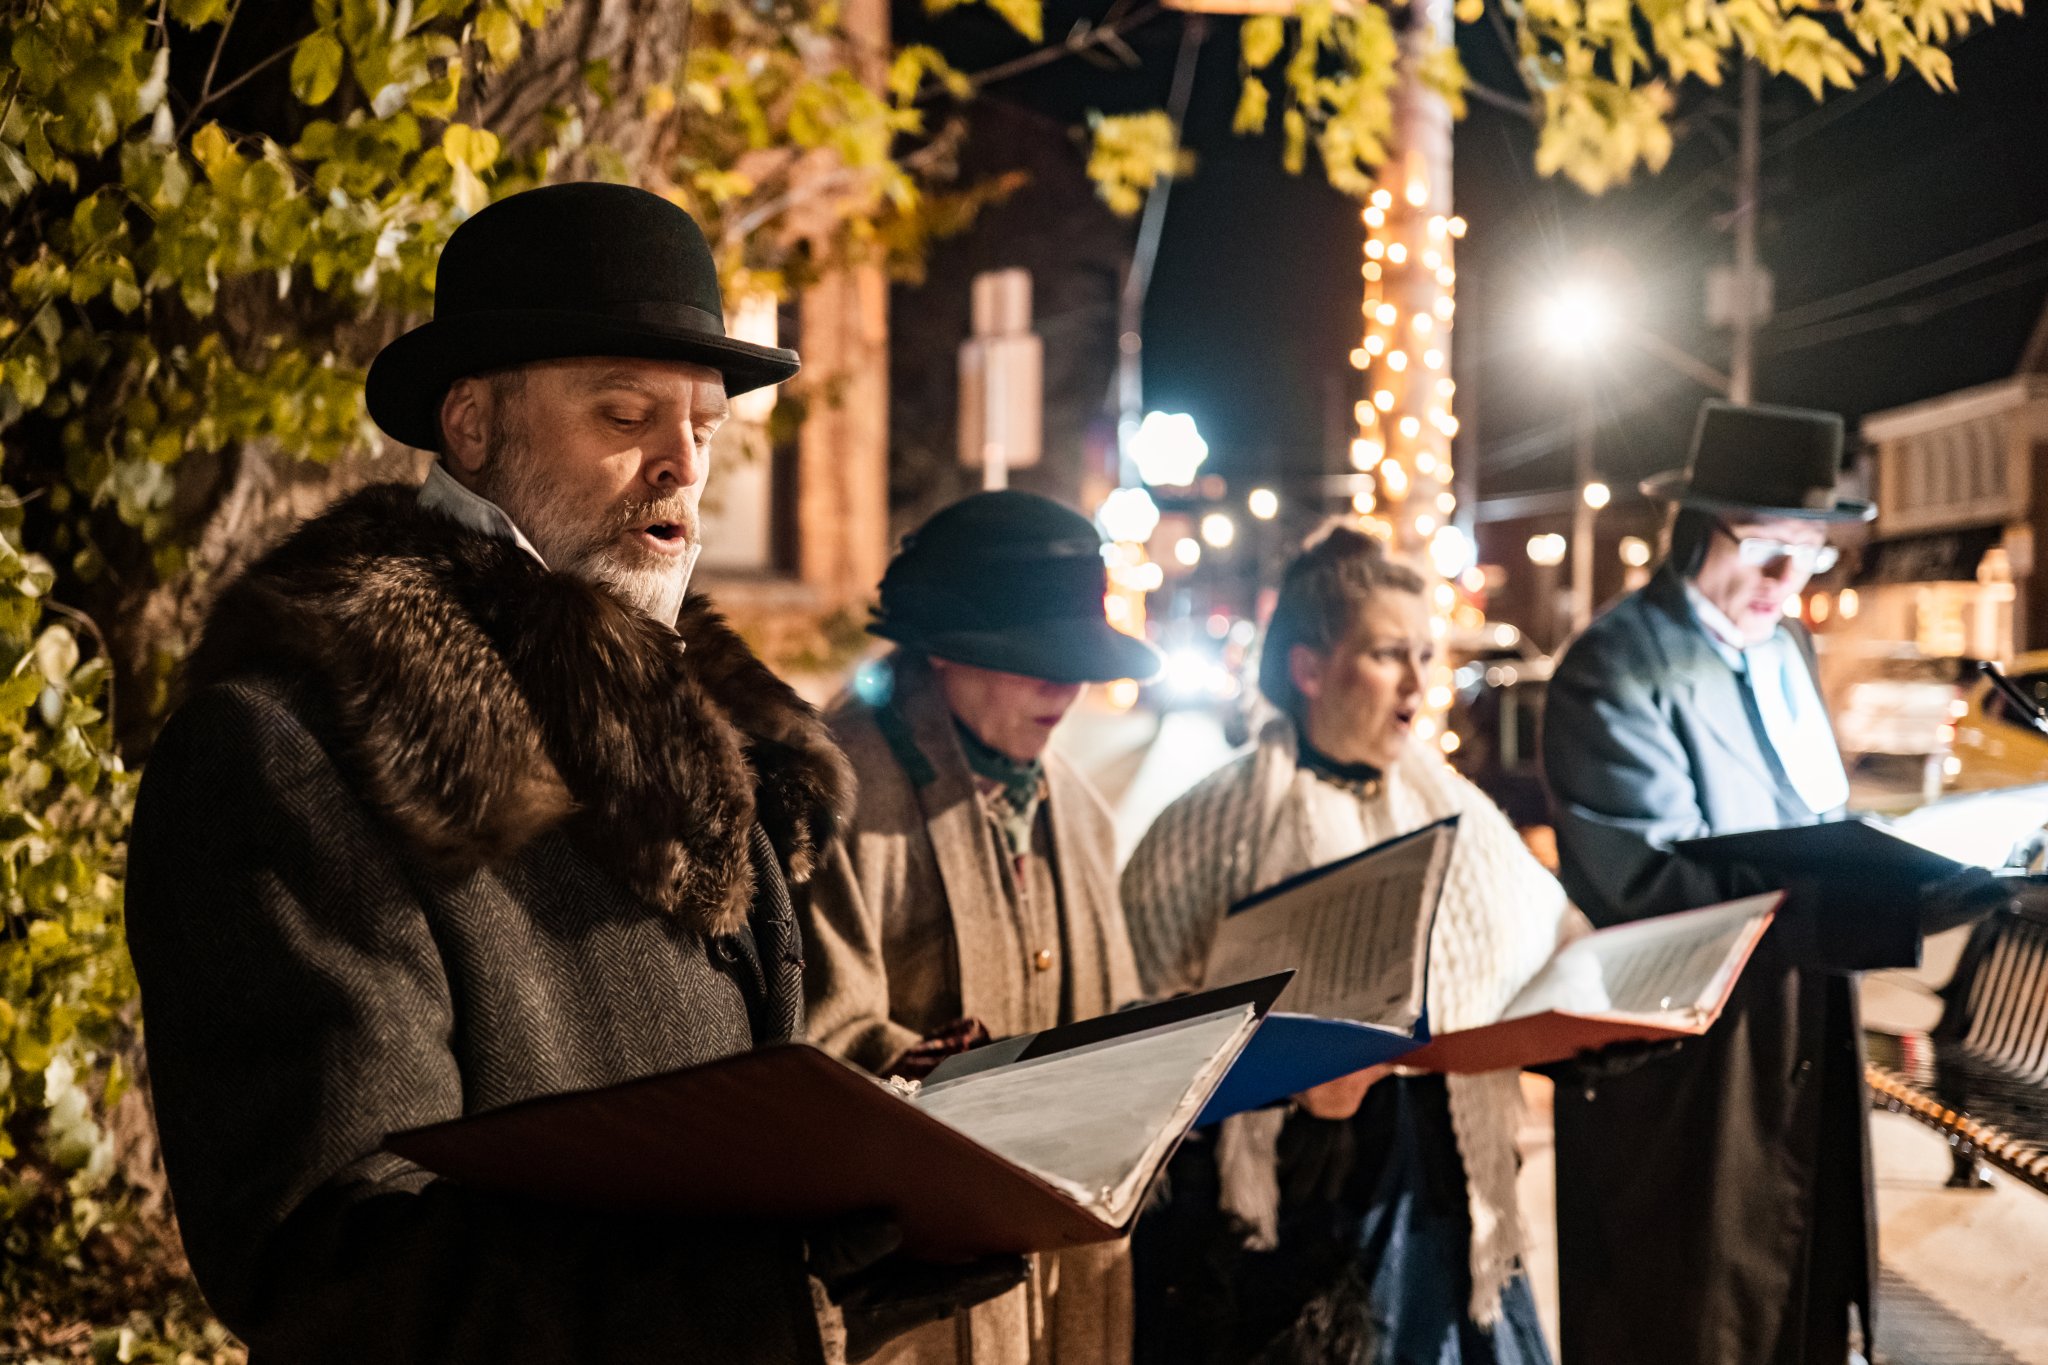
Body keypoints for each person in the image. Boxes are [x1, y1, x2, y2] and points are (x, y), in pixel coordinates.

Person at [124, 182, 1018, 1365]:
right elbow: (329, 1257)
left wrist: (897, 1130)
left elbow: (715, 1099)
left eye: (703, 427)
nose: (678, 466)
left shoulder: (708, 728)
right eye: (623, 414)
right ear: (472, 428)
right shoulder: (294, 754)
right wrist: (751, 1297)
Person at [1121, 525, 1576, 1365]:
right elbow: (1140, 1019)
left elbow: (1553, 938)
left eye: (1425, 655)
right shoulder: (1215, 823)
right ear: (1309, 667)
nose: (1417, 681)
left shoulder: (1457, 808)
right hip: (1276, 1208)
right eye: (1388, 653)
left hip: (1429, 1188)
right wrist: (1282, 1086)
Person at [1540, 400, 1926, 1365]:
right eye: (1766, 548)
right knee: (1693, 1317)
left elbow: (1809, 816)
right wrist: (1848, 886)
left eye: (1812, 555)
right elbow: (1648, 883)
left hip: (1803, 1038)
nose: (1788, 584)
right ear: (1693, 528)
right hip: (1693, 1075)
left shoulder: (1782, 649)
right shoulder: (1615, 667)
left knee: (1800, 1304)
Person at [799, 490, 1160, 1365]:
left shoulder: (1077, 806)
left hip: (1064, 1295)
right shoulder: (831, 796)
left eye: (1074, 660)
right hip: (919, 1315)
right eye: (1034, 659)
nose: (1063, 687)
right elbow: (813, 1057)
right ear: (942, 652)